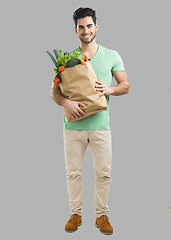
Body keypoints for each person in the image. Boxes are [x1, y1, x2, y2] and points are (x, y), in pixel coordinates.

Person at [50, 7, 130, 235]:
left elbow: (125, 85)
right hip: (73, 127)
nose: (86, 30)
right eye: (81, 27)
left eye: (89, 25)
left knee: (104, 173)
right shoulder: (66, 59)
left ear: (96, 27)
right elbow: (54, 93)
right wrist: (67, 103)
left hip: (100, 126)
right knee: (73, 173)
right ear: (76, 29)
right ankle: (75, 214)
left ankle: (101, 215)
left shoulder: (112, 55)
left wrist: (110, 89)